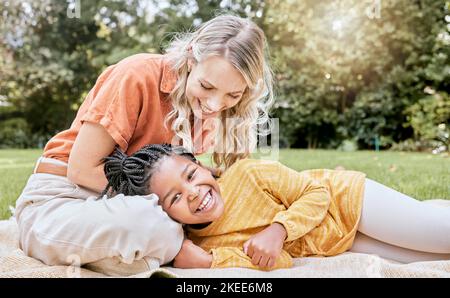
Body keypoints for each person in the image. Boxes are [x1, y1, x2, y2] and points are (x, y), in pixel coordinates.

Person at [14, 14, 274, 268]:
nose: (215, 105)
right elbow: (81, 170)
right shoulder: (137, 74)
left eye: (233, 94)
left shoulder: (207, 111)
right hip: (64, 198)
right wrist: (168, 205)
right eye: (206, 87)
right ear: (191, 57)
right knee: (153, 224)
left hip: (124, 205)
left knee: (170, 228)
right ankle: (164, 249)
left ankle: (144, 254)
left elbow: (231, 180)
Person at [101, 144, 450, 270]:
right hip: (337, 241)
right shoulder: (204, 245)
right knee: (434, 259)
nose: (193, 193)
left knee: (440, 233)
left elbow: (316, 193)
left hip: (348, 200)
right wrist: (211, 262)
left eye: (191, 175)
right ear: (165, 213)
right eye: (175, 197)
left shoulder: (248, 173)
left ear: (204, 166)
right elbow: (278, 260)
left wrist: (278, 229)